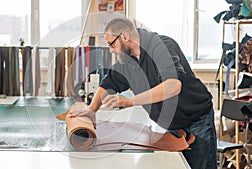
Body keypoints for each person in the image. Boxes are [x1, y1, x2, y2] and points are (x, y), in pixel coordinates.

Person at [69, 17, 217, 169]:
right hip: (172, 124)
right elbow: (109, 82)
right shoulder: (127, 60)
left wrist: (129, 101)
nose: (111, 50)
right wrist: (92, 109)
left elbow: (173, 86)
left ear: (125, 36)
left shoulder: (161, 46)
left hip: (197, 120)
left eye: (111, 44)